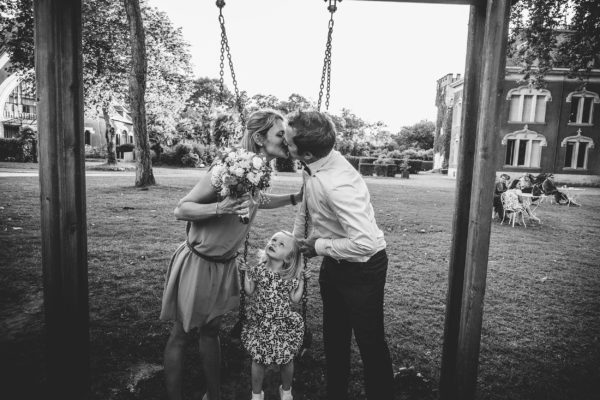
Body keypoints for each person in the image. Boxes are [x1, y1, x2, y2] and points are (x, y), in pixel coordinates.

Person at [160, 109, 303, 400]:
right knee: (181, 334)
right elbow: (181, 209)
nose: (286, 139)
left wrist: (293, 198)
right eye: (280, 134)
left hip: (224, 265)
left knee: (210, 332)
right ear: (260, 138)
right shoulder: (226, 168)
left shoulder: (258, 170)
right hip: (199, 263)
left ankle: (213, 395)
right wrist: (219, 208)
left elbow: (256, 201)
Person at [283, 110, 394, 400]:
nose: (284, 141)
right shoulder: (315, 164)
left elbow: (365, 243)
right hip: (336, 263)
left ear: (305, 152)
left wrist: (317, 247)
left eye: (288, 140)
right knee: (334, 337)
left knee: (370, 342)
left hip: (364, 269)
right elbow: (307, 207)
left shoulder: (337, 185)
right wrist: (297, 242)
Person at [239, 231, 307, 400]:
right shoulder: (259, 270)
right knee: (258, 359)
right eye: (273, 239)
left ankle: (286, 391)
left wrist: (303, 282)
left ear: (289, 258)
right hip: (261, 323)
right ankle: (256, 394)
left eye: (281, 244)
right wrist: (244, 274)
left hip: (282, 324)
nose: (274, 243)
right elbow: (249, 291)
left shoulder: (289, 276)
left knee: (286, 359)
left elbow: (295, 299)